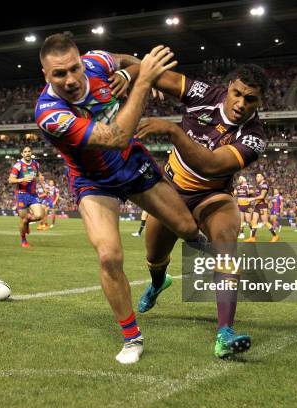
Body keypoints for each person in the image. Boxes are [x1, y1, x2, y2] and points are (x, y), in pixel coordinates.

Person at [34, 34, 203, 364]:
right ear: (45, 75)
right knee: (109, 256)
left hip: (133, 165)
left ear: (82, 60)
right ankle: (131, 338)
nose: (70, 79)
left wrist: (129, 74)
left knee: (188, 229)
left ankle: (158, 281)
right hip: (94, 181)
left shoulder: (98, 62)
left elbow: (128, 61)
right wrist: (143, 83)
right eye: (59, 74)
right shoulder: (50, 113)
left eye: (74, 68)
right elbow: (115, 137)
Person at [131, 63, 269, 358]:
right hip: (169, 193)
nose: (241, 104)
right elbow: (146, 69)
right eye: (237, 94)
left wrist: (172, 130)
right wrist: (115, 70)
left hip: (212, 197)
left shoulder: (254, 137)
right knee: (155, 259)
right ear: (229, 87)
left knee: (226, 245)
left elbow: (210, 166)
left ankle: (224, 335)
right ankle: (158, 283)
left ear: (260, 102)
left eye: (250, 99)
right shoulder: (203, 93)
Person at [8, 146, 46, 247]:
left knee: (39, 215)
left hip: (33, 194)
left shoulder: (35, 164)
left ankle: (28, 221)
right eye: (25, 152)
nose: (27, 153)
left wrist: (44, 187)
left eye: (29, 151)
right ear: (22, 154)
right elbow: (11, 180)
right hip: (21, 195)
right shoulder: (18, 165)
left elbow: (39, 176)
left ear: (31, 153)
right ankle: (23, 240)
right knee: (23, 219)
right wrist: (22, 179)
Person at [244, 173, 279, 242]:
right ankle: (253, 237)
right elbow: (257, 196)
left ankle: (275, 236)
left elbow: (262, 196)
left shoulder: (265, 185)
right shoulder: (258, 185)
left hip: (263, 206)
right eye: (256, 176)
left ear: (262, 177)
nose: (256, 177)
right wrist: (254, 203)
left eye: (258, 176)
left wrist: (252, 199)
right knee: (254, 221)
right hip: (257, 205)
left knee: (265, 222)